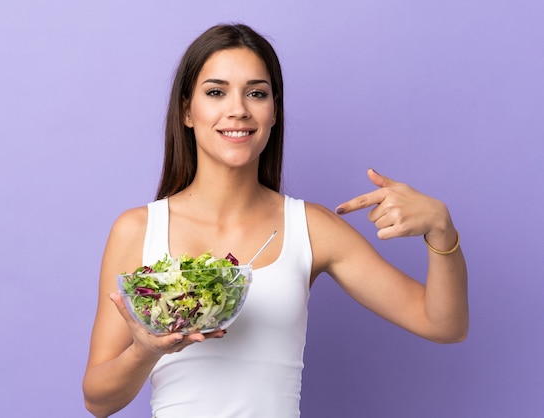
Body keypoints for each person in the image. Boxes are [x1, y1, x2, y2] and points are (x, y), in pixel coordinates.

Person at [82, 23, 468, 418]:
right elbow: (98, 400)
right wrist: (144, 352)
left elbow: (443, 324)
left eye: (256, 93)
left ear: (274, 111)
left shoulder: (311, 227)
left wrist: (442, 230)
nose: (238, 109)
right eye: (216, 92)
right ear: (187, 111)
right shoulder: (138, 230)